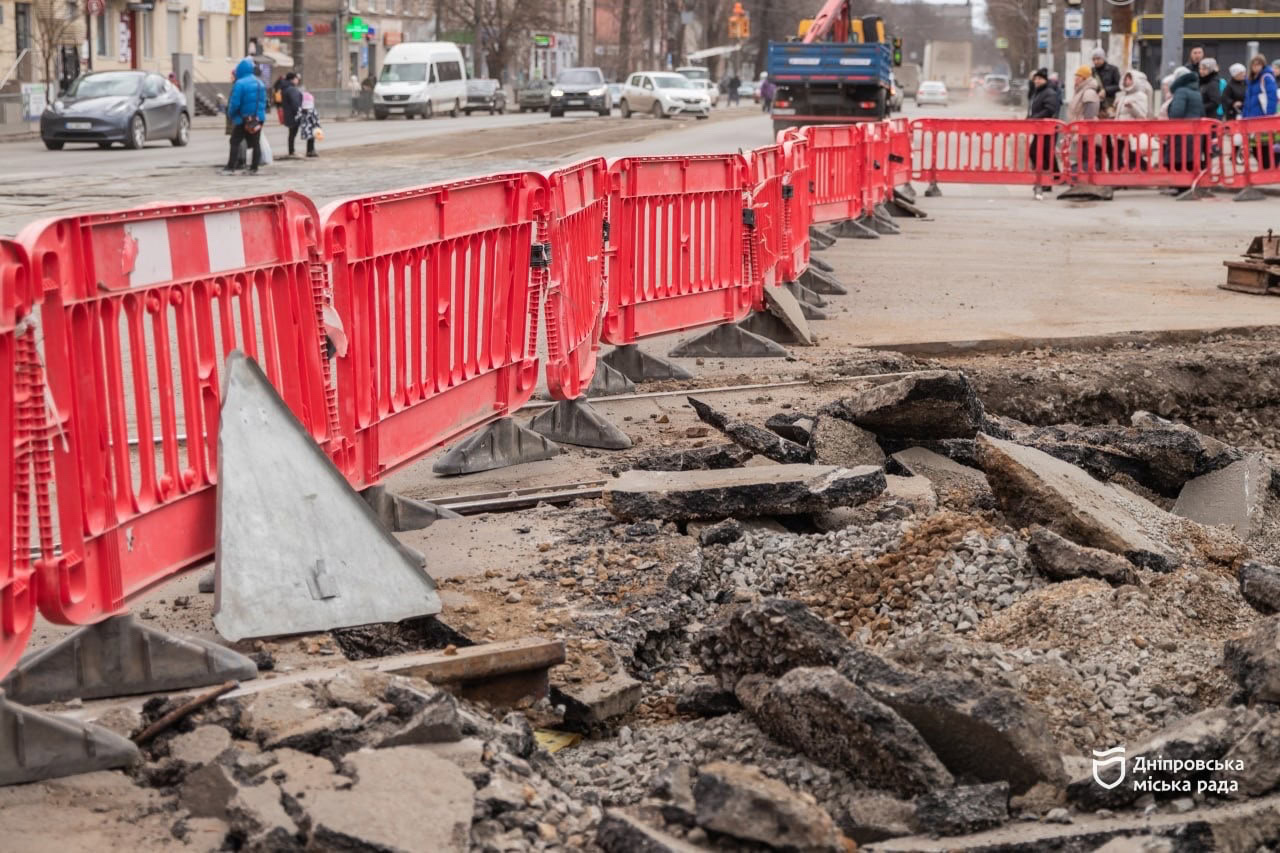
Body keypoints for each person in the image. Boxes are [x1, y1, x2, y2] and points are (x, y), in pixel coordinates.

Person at [222, 57, 266, 176]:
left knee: (234, 141)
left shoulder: (240, 84)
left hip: (243, 119)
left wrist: (231, 114)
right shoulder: (260, 83)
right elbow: (264, 102)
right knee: (256, 142)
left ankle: (231, 166)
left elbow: (235, 103)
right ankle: (254, 167)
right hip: (257, 119)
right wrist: (260, 117)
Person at [1026, 68, 1061, 199]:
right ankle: (1055, 177)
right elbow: (1032, 107)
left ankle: (1050, 178)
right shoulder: (1038, 92)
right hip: (1040, 128)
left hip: (1047, 128)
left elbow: (1049, 109)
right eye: (1035, 79)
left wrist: (1035, 118)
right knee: (1044, 153)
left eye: (1039, 79)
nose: (1037, 81)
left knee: (1041, 153)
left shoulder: (1049, 92)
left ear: (1045, 80)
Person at [1165, 66, 1206, 173]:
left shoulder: (1181, 91)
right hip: (1195, 133)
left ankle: (1179, 187)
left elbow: (1176, 113)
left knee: (1178, 162)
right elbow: (1202, 112)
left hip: (1181, 134)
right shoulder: (1196, 92)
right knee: (1190, 163)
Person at [1244, 54, 1278, 169]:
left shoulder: (1267, 77)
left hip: (1263, 117)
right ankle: (1266, 168)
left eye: (1259, 64)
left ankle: (1268, 168)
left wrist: (1269, 116)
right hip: (1252, 118)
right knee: (1254, 146)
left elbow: (1272, 98)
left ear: (1263, 65)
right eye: (1254, 64)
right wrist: (1245, 116)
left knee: (1265, 145)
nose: (1256, 67)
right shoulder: (1251, 80)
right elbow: (1247, 100)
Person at [1114, 70, 1152, 171]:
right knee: (1118, 152)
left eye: (1129, 79)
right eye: (1125, 79)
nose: (1127, 81)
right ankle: (1119, 171)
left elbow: (1142, 114)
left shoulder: (1141, 96)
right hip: (1120, 129)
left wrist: (1132, 107)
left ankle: (1140, 169)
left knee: (1132, 153)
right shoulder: (1122, 96)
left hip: (1133, 131)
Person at [280, 72, 304, 157]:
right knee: (293, 133)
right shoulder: (292, 89)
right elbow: (295, 103)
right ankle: (292, 151)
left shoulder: (285, 88)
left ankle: (291, 150)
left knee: (291, 134)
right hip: (293, 114)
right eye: (296, 79)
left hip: (288, 114)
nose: (297, 80)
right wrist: (299, 112)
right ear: (292, 79)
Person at [1091, 47, 1120, 116]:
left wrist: (1105, 90)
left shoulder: (1113, 69)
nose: (1096, 61)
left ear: (1103, 58)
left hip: (1109, 104)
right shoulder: (1091, 71)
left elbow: (1119, 86)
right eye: (1094, 59)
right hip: (1095, 104)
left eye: (1098, 59)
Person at [298, 90, 320, 158]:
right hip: (311, 128)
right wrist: (318, 125)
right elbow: (315, 118)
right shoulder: (312, 110)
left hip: (305, 129)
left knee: (309, 141)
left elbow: (298, 117)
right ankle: (311, 151)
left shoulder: (302, 110)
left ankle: (308, 151)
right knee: (312, 140)